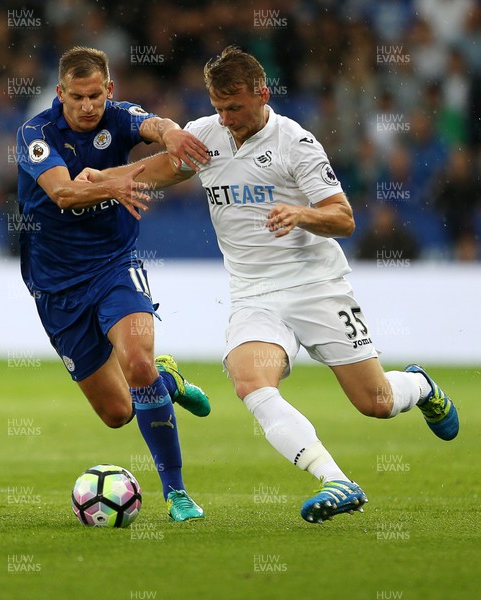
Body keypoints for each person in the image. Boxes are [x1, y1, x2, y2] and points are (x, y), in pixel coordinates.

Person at [78, 47, 459, 524]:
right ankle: (337, 480)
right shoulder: (204, 136)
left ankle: (420, 386)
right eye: (218, 106)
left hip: (316, 286)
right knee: (250, 382)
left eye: (234, 107)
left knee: (375, 402)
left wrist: (302, 213)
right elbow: (150, 172)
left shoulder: (295, 143)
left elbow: (343, 218)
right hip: (254, 294)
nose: (226, 117)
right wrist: (97, 179)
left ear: (263, 93)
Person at [16, 46, 211, 522]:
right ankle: (169, 381)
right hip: (56, 287)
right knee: (117, 413)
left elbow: (155, 128)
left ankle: (176, 493)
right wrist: (111, 183)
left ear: (110, 90)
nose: (88, 106)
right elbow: (62, 191)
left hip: (114, 265)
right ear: (60, 93)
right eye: (77, 97)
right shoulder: (35, 134)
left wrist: (172, 132)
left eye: (96, 96)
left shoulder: (118, 117)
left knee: (136, 361)